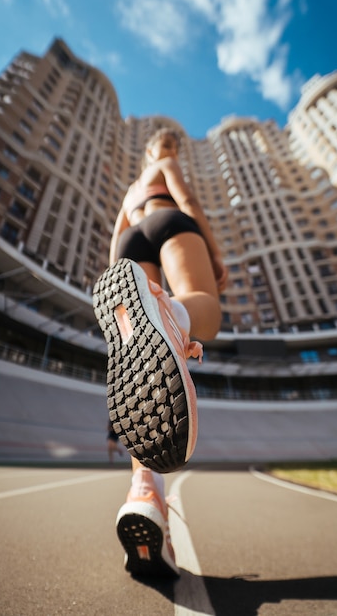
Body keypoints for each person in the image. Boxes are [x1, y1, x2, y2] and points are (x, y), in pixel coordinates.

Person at [93, 127, 228, 576]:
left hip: (132, 242)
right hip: (169, 222)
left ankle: (146, 495)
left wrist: (121, 291)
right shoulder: (165, 166)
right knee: (205, 305)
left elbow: (119, 237)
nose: (171, 152)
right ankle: (174, 317)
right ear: (165, 150)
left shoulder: (133, 186)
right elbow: (186, 200)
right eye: (172, 148)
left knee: (150, 392)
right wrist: (213, 251)